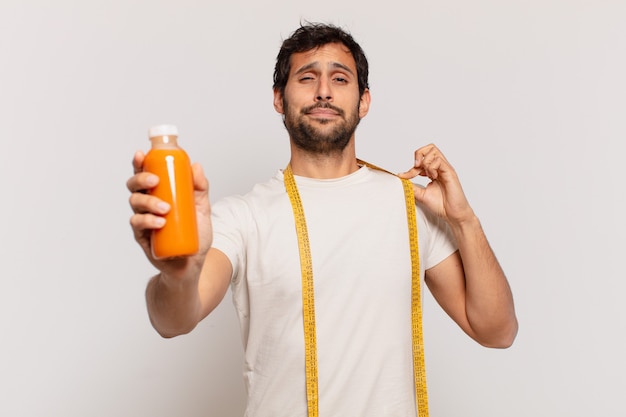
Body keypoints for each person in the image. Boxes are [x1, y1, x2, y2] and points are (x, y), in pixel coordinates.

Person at [127, 22, 517, 417]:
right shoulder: (243, 217)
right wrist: (179, 274)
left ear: (364, 101)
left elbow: (497, 331)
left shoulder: (410, 207)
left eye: (340, 78)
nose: (324, 91)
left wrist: (464, 220)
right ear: (279, 99)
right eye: (307, 77)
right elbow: (172, 321)